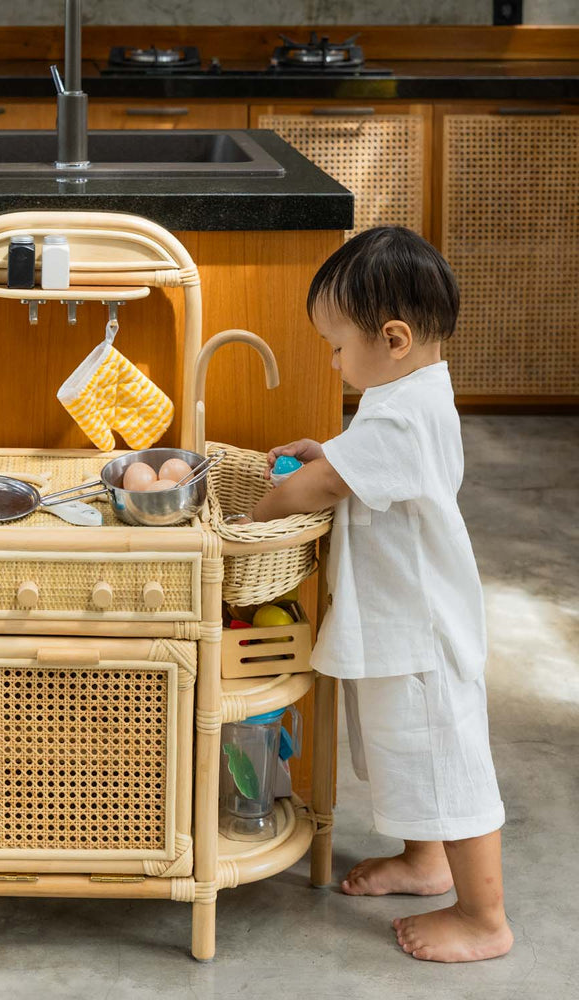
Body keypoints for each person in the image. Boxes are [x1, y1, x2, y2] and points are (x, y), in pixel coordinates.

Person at [251, 226, 512, 963]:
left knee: (450, 766)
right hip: (404, 623)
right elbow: (355, 464)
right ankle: (426, 861)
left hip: (422, 634)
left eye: (336, 346)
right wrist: (330, 450)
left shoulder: (401, 412)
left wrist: (258, 512)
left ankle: (485, 917)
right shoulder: (411, 392)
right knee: (411, 753)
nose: (332, 360)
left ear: (392, 338)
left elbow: (328, 484)